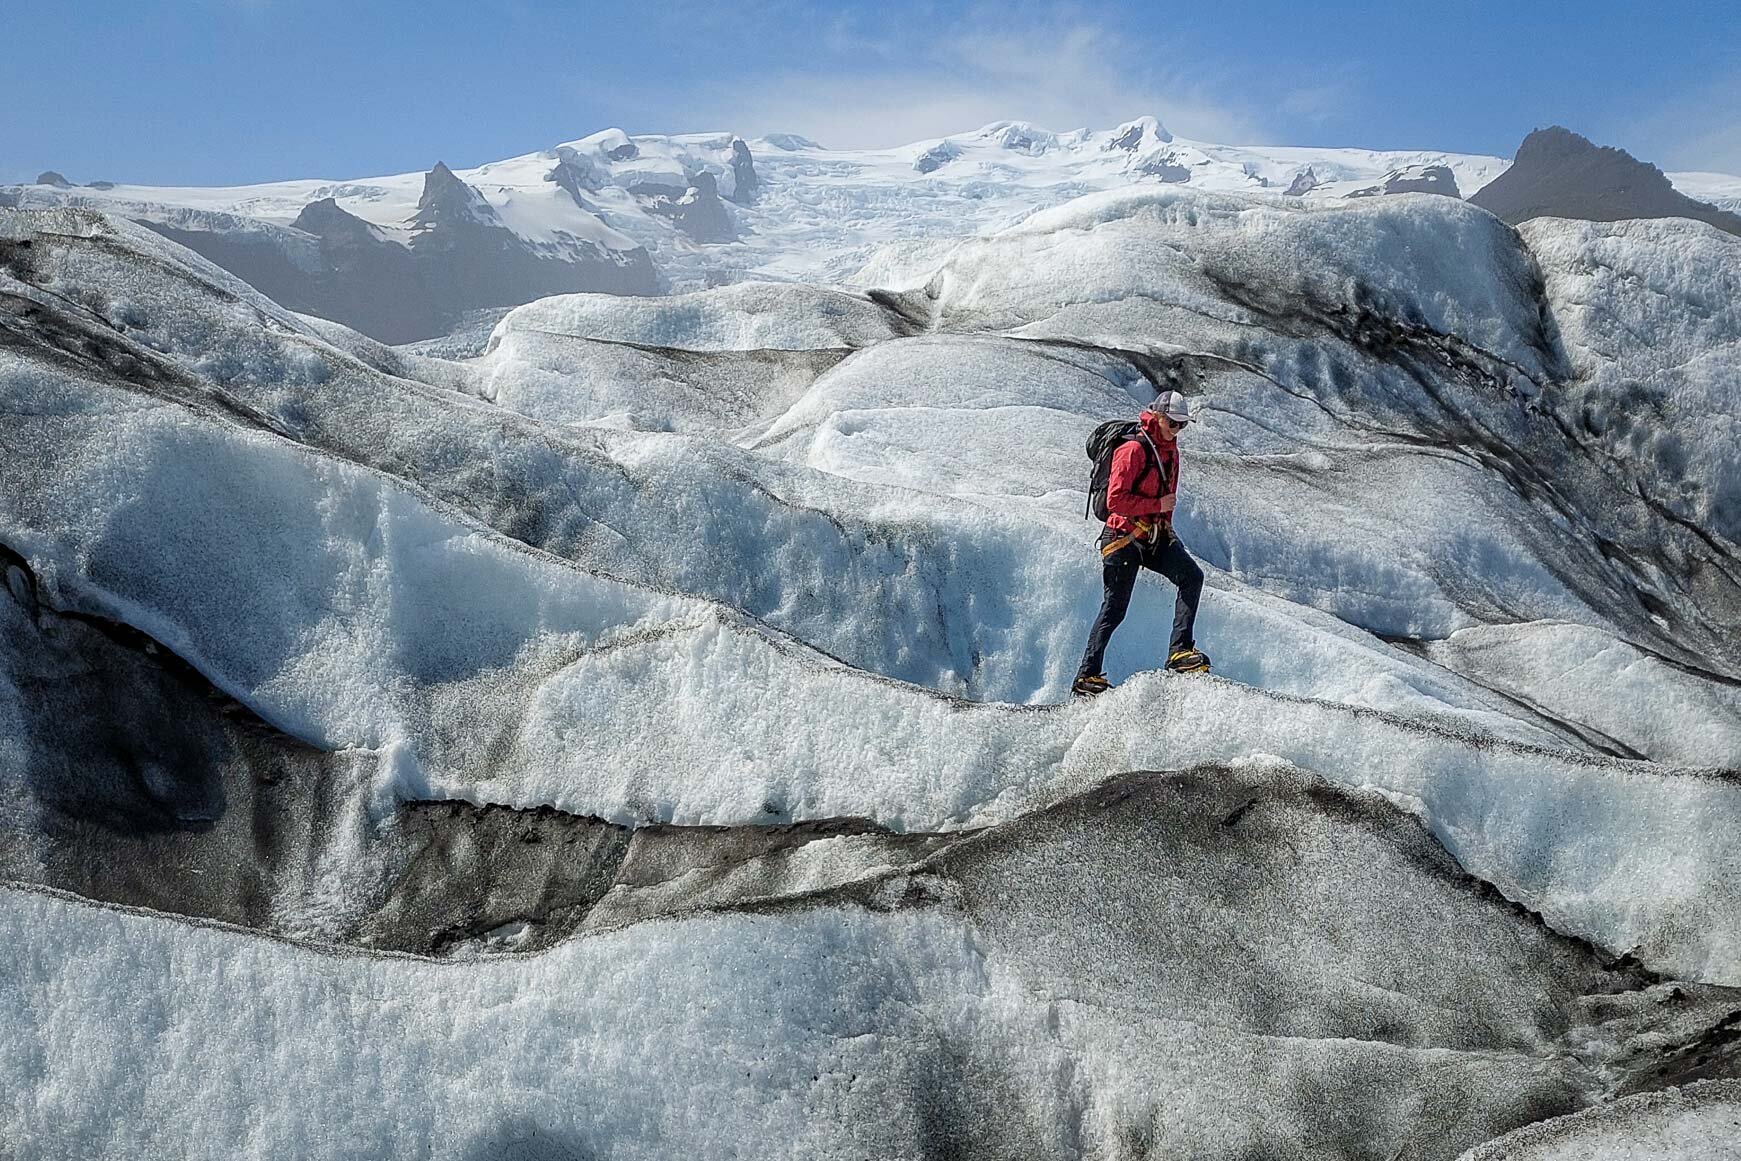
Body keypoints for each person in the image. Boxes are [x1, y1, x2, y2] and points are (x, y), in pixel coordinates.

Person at [1073, 390, 1209, 696]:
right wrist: (1157, 506)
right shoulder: (1133, 449)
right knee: (1114, 609)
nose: (1177, 430)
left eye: (1181, 425)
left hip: (1153, 536)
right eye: (1173, 423)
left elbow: (1167, 500)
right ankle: (1086, 676)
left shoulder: (1171, 452)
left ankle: (1179, 652)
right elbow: (1115, 500)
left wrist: (1166, 526)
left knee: (1191, 576)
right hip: (1122, 537)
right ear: (1158, 417)